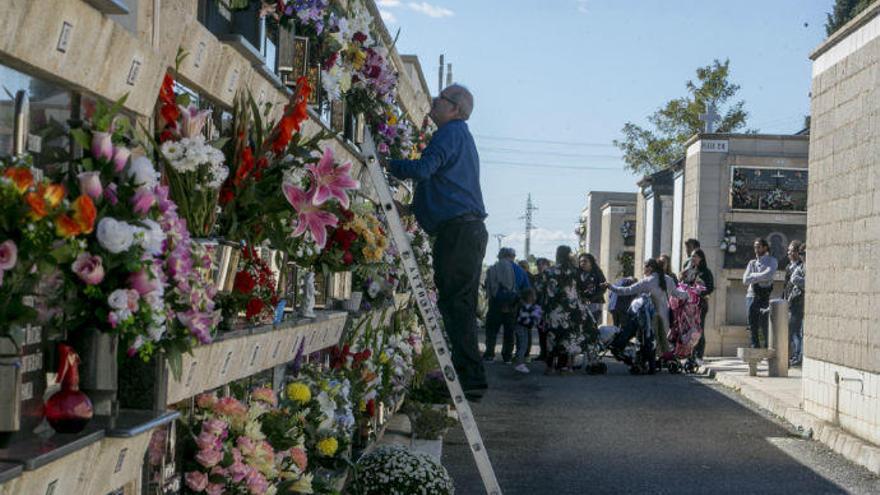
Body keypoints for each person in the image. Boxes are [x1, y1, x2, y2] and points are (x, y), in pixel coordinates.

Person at [387, 84, 488, 398]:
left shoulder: (451, 132)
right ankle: (468, 376)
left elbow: (424, 169)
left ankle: (468, 379)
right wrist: (413, 208)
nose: (433, 101)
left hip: (459, 233)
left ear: (455, 108)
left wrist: (384, 162)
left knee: (455, 305)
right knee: (459, 304)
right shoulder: (459, 136)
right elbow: (447, 183)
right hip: (465, 232)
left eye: (440, 98)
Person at [604, 258, 687, 359]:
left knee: (633, 330)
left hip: (647, 318)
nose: (643, 269)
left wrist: (611, 287)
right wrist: (691, 294)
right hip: (664, 318)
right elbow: (678, 294)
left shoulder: (647, 281)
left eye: (644, 267)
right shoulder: (668, 279)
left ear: (650, 268)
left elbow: (627, 290)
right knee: (658, 342)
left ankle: (624, 349)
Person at [541, 246, 590, 374]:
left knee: (552, 338)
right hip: (571, 310)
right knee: (566, 337)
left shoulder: (549, 271)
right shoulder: (575, 271)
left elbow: (541, 290)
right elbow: (583, 289)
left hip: (553, 310)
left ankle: (549, 366)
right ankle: (562, 367)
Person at [483, 248, 525, 364]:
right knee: (509, 331)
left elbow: (487, 285)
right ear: (513, 257)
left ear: (500, 256)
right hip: (512, 304)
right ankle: (507, 357)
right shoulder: (520, 270)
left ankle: (489, 355)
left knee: (491, 330)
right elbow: (526, 288)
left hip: (495, 303)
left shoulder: (492, 269)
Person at [742, 238, 778, 348]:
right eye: (755, 247)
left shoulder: (772, 260)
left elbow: (769, 274)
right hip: (751, 295)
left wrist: (753, 276)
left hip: (764, 296)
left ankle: (768, 346)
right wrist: (759, 277)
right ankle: (755, 346)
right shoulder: (752, 263)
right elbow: (745, 280)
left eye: (758, 246)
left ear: (765, 247)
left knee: (765, 323)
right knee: (752, 324)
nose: (756, 249)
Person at [680, 248, 715, 362]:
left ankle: (699, 355)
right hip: (689, 305)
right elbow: (685, 285)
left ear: (701, 258)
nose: (692, 258)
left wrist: (699, 291)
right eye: (692, 256)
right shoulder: (691, 270)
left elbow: (710, 288)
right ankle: (690, 355)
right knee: (690, 330)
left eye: (695, 256)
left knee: (699, 330)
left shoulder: (706, 272)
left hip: (701, 305)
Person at [784, 241, 806, 366]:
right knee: (792, 331)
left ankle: (798, 356)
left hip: (799, 302)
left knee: (796, 331)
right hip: (790, 301)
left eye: (793, 251)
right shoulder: (789, 267)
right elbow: (787, 284)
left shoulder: (802, 266)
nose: (790, 253)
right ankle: (794, 355)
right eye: (789, 251)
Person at [513, 288, 542, 374]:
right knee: (523, 345)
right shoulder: (526, 307)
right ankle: (519, 364)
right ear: (530, 297)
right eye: (533, 295)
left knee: (522, 345)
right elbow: (527, 319)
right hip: (521, 327)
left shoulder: (526, 306)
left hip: (522, 327)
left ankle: (519, 362)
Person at [577, 253, 606, 325]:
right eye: (580, 262)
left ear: (591, 262)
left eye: (585, 261)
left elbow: (603, 288)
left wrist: (591, 299)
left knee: (593, 325)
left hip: (595, 303)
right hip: (582, 304)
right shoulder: (578, 274)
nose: (582, 263)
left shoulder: (597, 273)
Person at [534, 257, 552, 361]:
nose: (540, 266)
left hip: (549, 308)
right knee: (541, 331)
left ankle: (550, 354)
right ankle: (543, 353)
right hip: (538, 308)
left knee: (549, 332)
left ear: (547, 265)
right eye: (538, 265)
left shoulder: (552, 277)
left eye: (542, 264)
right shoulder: (536, 278)